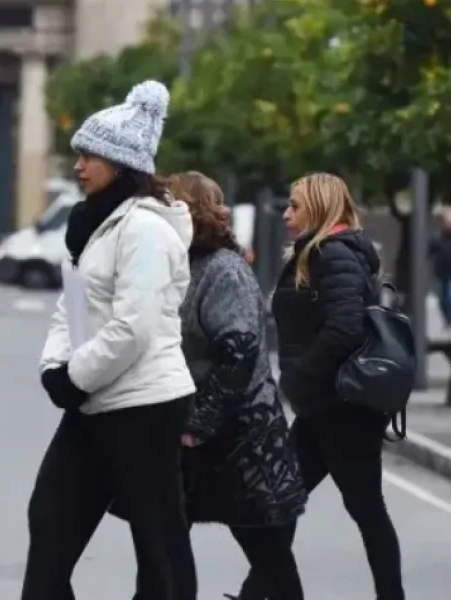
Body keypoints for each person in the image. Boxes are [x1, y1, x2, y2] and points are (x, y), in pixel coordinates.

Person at [22, 80, 198, 600]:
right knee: (50, 521)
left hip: (146, 404)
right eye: (78, 153)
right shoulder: (88, 226)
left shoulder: (145, 229)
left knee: (159, 544)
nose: (78, 165)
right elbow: (71, 306)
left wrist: (75, 377)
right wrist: (55, 368)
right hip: (92, 400)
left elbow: (133, 327)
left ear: (121, 164)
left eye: (90, 156)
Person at [238, 172, 405, 600]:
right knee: (282, 504)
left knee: (364, 508)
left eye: (295, 206)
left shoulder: (334, 254)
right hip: (321, 405)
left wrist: (298, 376)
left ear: (320, 208)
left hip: (343, 409)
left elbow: (345, 328)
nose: (287, 214)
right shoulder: (318, 253)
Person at [165, 171, 306, 600]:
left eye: (167, 206)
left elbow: (239, 351)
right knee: (163, 554)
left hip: (242, 439)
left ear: (190, 212)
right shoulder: (180, 265)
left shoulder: (223, 270)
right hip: (195, 434)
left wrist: (198, 423)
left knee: (270, 559)